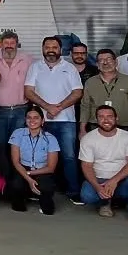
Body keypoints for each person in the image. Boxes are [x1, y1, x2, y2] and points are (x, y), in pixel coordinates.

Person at [24, 36, 83, 200]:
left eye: (54, 47)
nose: (51, 50)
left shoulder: (70, 68)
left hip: (66, 120)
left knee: (69, 157)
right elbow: (28, 91)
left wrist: (58, 108)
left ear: (60, 49)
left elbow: (78, 92)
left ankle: (73, 192)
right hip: (41, 121)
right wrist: (47, 107)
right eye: (47, 47)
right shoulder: (35, 67)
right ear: (43, 49)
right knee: (40, 157)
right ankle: (40, 190)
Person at [77, 106, 128, 224]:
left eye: (109, 116)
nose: (106, 120)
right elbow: (86, 166)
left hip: (122, 180)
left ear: (116, 118)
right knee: (87, 195)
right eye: (101, 117)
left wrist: (114, 180)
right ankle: (104, 203)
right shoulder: (88, 138)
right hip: (99, 180)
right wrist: (97, 187)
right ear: (96, 119)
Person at [0, 32, 35, 144]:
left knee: (18, 145)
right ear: (1, 44)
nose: (9, 45)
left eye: (12, 43)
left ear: (17, 44)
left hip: (21, 110)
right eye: (6, 42)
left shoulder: (28, 60)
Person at [7, 106, 60, 215]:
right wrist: (29, 179)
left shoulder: (51, 138)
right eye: (29, 117)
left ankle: (38, 196)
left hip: (42, 170)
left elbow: (51, 168)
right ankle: (25, 195)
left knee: (48, 209)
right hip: (22, 168)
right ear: (25, 120)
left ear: (42, 120)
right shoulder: (17, 133)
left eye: (36, 118)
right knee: (16, 187)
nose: (32, 120)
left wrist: (30, 173)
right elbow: (16, 162)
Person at [78, 48, 128, 134]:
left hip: (123, 128)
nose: (105, 63)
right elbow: (85, 107)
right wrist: (82, 129)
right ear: (97, 64)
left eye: (109, 59)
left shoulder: (127, 81)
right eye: (101, 60)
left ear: (116, 62)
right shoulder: (90, 82)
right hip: (96, 128)